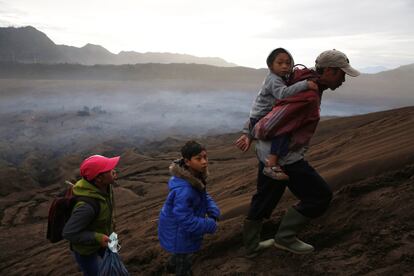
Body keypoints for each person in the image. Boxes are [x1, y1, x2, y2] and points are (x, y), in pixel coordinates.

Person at [235, 49, 360, 257]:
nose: (344, 80)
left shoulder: (306, 81)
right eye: (342, 74)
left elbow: (268, 108)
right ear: (330, 71)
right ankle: (285, 238)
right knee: (319, 196)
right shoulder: (308, 93)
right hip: (283, 157)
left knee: (266, 197)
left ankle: (251, 245)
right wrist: (254, 132)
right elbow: (271, 123)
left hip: (269, 153)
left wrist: (250, 133)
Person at [247, 48, 318, 180]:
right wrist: (305, 85)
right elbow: (283, 94)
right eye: (280, 63)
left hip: (260, 115)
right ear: (270, 65)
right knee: (282, 131)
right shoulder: (274, 79)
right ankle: (271, 164)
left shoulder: (279, 77)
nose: (285, 66)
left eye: (288, 63)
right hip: (261, 117)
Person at [158, 140, 220, 276]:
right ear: (187, 162)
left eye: (205, 157)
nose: (204, 161)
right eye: (198, 158)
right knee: (184, 261)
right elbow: (184, 219)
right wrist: (209, 224)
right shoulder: (185, 189)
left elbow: (202, 195)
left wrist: (212, 208)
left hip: (181, 231)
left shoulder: (194, 178)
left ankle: (170, 267)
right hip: (179, 232)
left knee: (180, 255)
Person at [63, 154, 120, 276]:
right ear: (99, 179)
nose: (114, 171)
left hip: (105, 241)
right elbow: (69, 233)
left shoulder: (105, 188)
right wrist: (98, 237)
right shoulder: (86, 206)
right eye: (109, 170)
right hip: (87, 251)